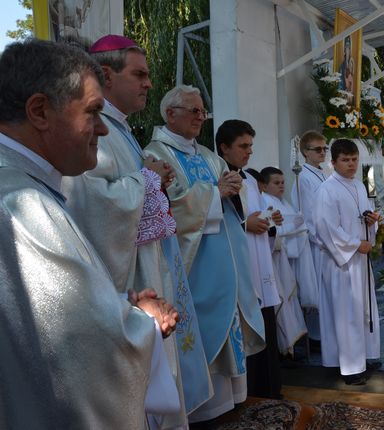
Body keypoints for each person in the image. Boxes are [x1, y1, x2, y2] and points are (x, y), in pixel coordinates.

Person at [0, 38, 178, 429]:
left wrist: (115, 301)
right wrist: (143, 321)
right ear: (40, 111)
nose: (102, 128)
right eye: (93, 112)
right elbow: (82, 352)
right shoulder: (22, 205)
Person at [60, 34, 187, 429]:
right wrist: (146, 182)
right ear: (106, 76)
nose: (149, 83)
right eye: (140, 74)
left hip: (142, 264)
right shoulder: (100, 131)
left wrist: (148, 182)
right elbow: (89, 200)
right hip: (127, 276)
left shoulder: (121, 129)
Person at [144, 86, 266, 420]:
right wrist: (214, 193)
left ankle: (230, 402)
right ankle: (203, 410)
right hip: (194, 267)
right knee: (201, 332)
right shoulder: (156, 155)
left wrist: (232, 188)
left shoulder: (208, 156)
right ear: (171, 113)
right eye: (193, 111)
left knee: (228, 331)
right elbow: (169, 209)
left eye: (203, 112)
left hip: (225, 262)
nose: (200, 117)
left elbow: (228, 198)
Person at [216, 120, 284, 400]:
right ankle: (252, 393)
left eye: (250, 146)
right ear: (224, 147)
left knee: (266, 323)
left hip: (259, 260)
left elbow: (254, 215)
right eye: (243, 146)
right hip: (240, 267)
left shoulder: (248, 180)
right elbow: (215, 221)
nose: (249, 152)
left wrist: (270, 221)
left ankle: (270, 390)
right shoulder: (219, 178)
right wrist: (246, 223)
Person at [314, 138, 382, 386]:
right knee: (346, 313)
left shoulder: (359, 186)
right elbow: (325, 227)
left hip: (360, 259)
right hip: (341, 263)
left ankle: (364, 355)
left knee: (362, 310)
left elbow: (360, 216)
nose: (351, 164)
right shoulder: (327, 189)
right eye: (345, 160)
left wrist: (371, 221)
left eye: (354, 159)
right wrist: (355, 244)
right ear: (333, 162)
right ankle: (351, 367)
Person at [260, 166, 309, 355]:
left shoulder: (283, 202)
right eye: (276, 183)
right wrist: (292, 226)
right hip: (276, 259)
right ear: (264, 185)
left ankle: (291, 346)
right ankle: (284, 347)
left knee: (290, 302)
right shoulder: (265, 202)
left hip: (288, 259)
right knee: (282, 303)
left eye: (282, 183)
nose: (281, 186)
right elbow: (273, 232)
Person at [291, 130, 328, 350]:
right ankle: (315, 336)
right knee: (317, 289)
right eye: (318, 149)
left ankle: (323, 332)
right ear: (305, 152)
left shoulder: (322, 173)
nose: (322, 152)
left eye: (325, 148)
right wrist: (320, 239)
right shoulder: (303, 177)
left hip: (326, 239)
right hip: (317, 242)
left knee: (324, 289)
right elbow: (306, 213)